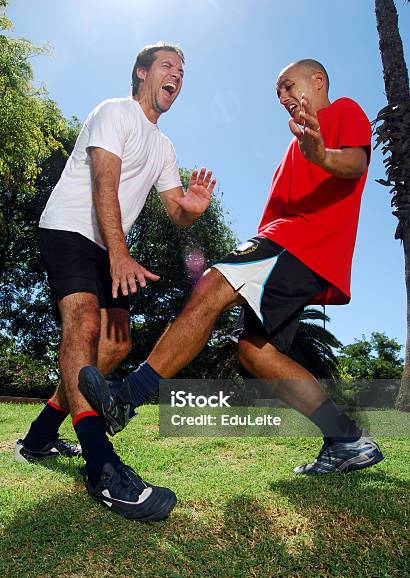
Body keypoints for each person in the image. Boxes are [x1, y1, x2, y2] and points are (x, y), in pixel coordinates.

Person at [79, 58, 384, 476]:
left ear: (318, 81)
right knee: (256, 353)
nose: (283, 97)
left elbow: (355, 164)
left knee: (213, 283)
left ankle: (130, 395)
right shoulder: (294, 148)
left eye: (289, 86)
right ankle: (347, 439)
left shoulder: (341, 111)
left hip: (299, 242)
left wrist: (321, 155)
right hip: (294, 251)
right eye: (278, 94)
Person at [14, 42, 216, 522]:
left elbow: (174, 212)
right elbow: (104, 182)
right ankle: (102, 467)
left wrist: (191, 207)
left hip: (107, 244)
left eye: (183, 72)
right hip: (69, 228)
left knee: (113, 347)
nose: (177, 77)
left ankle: (38, 439)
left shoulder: (164, 146)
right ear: (142, 72)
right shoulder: (115, 112)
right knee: (82, 326)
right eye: (168, 66)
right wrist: (121, 255)